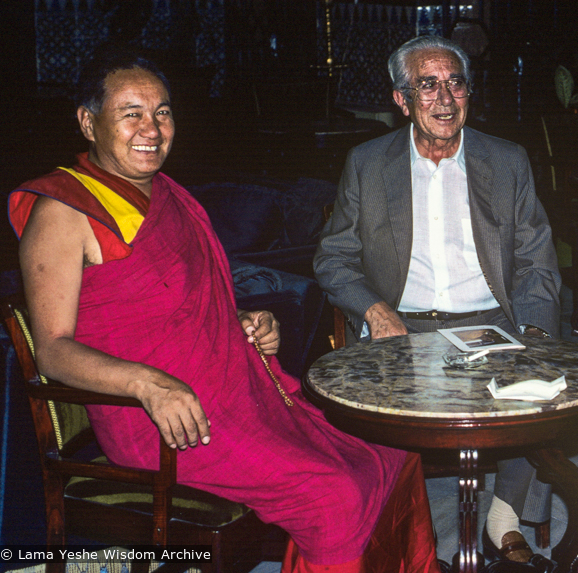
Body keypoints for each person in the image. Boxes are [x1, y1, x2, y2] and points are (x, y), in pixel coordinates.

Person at [8, 48, 440, 573]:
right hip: (158, 422)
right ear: (87, 122)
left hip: (227, 395)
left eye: (162, 112)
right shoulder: (63, 209)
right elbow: (52, 350)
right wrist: (149, 384)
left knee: (393, 453)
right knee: (337, 492)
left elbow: (182, 310)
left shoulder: (170, 195)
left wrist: (245, 326)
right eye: (131, 113)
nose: (152, 128)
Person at [313, 35, 562, 562]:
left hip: (493, 319)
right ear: (401, 99)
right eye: (428, 85)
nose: (445, 99)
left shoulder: (507, 160)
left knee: (547, 390)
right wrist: (374, 310)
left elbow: (537, 259)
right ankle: (398, 533)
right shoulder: (368, 163)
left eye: (455, 83)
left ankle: (504, 516)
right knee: (363, 415)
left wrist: (536, 335)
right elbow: (333, 257)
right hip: (402, 327)